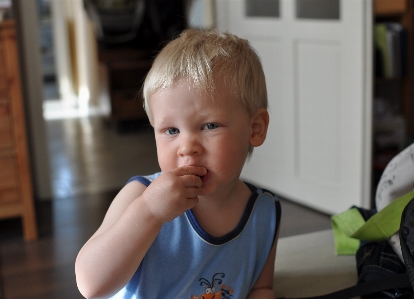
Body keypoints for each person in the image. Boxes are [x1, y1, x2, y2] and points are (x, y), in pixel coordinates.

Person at [75, 28, 281, 299]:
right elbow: (91, 285)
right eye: (171, 130)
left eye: (209, 125)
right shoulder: (141, 195)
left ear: (255, 129)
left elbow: (260, 288)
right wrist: (149, 212)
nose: (187, 147)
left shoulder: (264, 213)